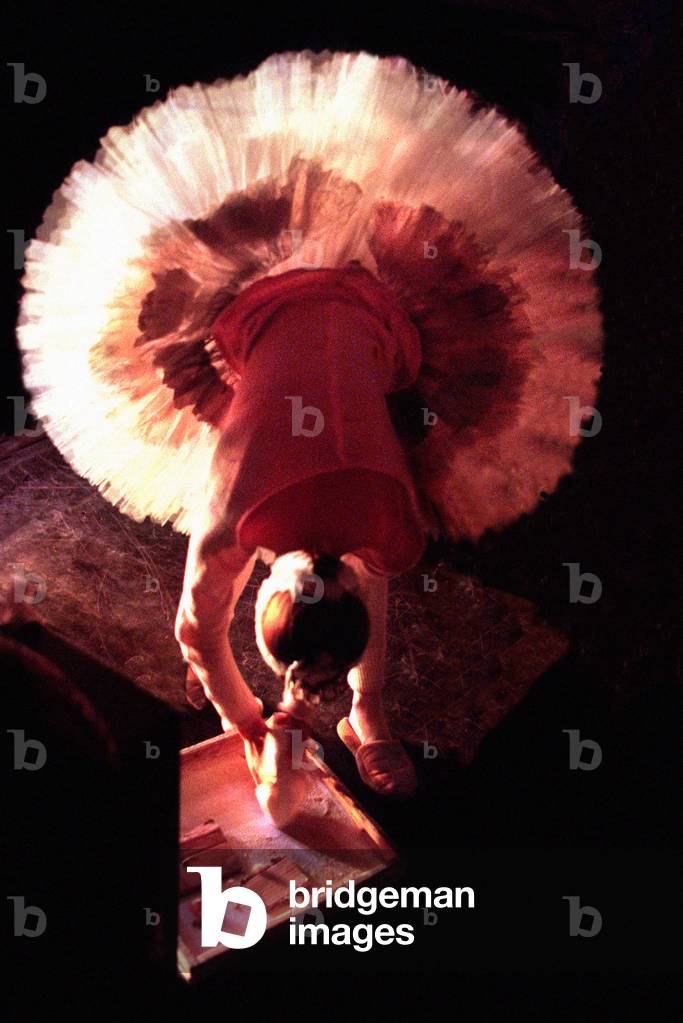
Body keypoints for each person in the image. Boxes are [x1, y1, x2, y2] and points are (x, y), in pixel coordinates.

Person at [17, 51, 603, 826]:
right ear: (270, 585)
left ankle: (370, 715)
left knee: (257, 603)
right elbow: (194, 633)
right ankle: (352, 709)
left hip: (350, 338)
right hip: (288, 326)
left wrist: (295, 713)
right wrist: (255, 725)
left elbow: (270, 623)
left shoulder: (384, 528)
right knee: (204, 638)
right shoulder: (230, 525)